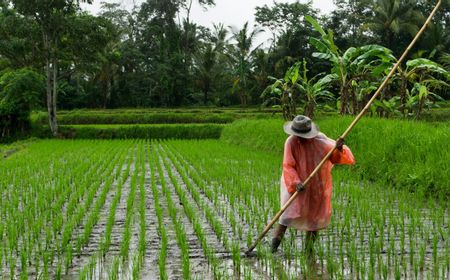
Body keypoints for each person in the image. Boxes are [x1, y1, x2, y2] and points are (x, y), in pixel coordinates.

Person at [271, 115, 355, 256]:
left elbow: (334, 157)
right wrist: (296, 183)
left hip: (317, 184)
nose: (301, 138)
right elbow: (288, 165)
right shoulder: (291, 142)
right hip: (296, 183)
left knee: (314, 218)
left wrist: (338, 148)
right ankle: (273, 249)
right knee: (286, 216)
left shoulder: (320, 140)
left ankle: (308, 251)